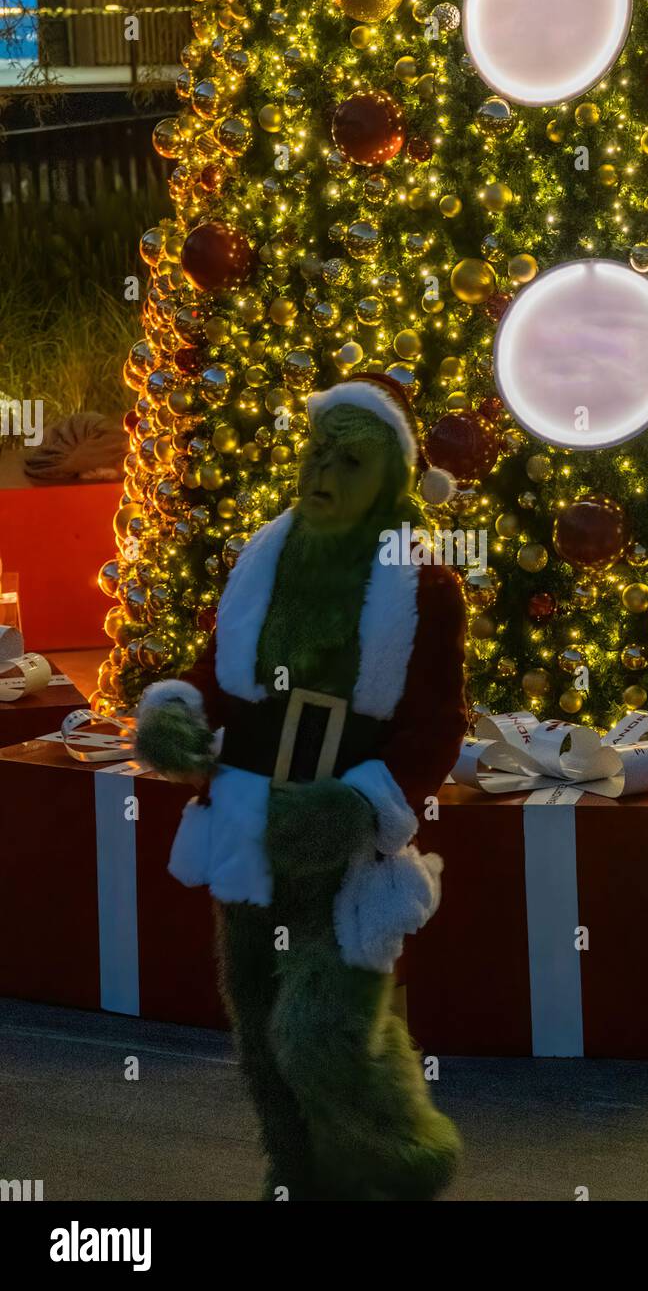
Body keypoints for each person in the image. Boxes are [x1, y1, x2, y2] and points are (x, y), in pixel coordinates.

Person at [135, 375, 468, 1200]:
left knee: (323, 1030)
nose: (321, 475)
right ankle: (295, 1177)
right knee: (259, 1030)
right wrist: (176, 716)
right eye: (317, 453)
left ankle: (394, 1170)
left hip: (342, 851)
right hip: (247, 828)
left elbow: (434, 732)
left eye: (348, 461)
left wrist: (356, 805)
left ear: (389, 479)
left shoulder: (424, 587)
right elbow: (215, 677)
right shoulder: (265, 558)